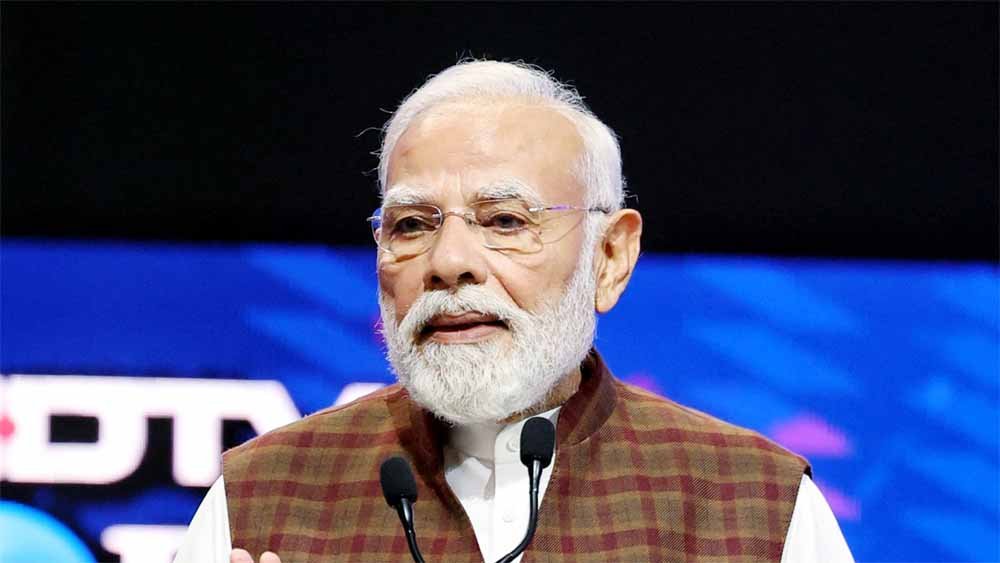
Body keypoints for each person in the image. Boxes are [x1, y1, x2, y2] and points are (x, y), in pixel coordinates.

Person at [173, 60, 854, 563]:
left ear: (610, 256)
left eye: (504, 220)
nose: (448, 261)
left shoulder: (753, 507)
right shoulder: (261, 499)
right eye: (411, 224)